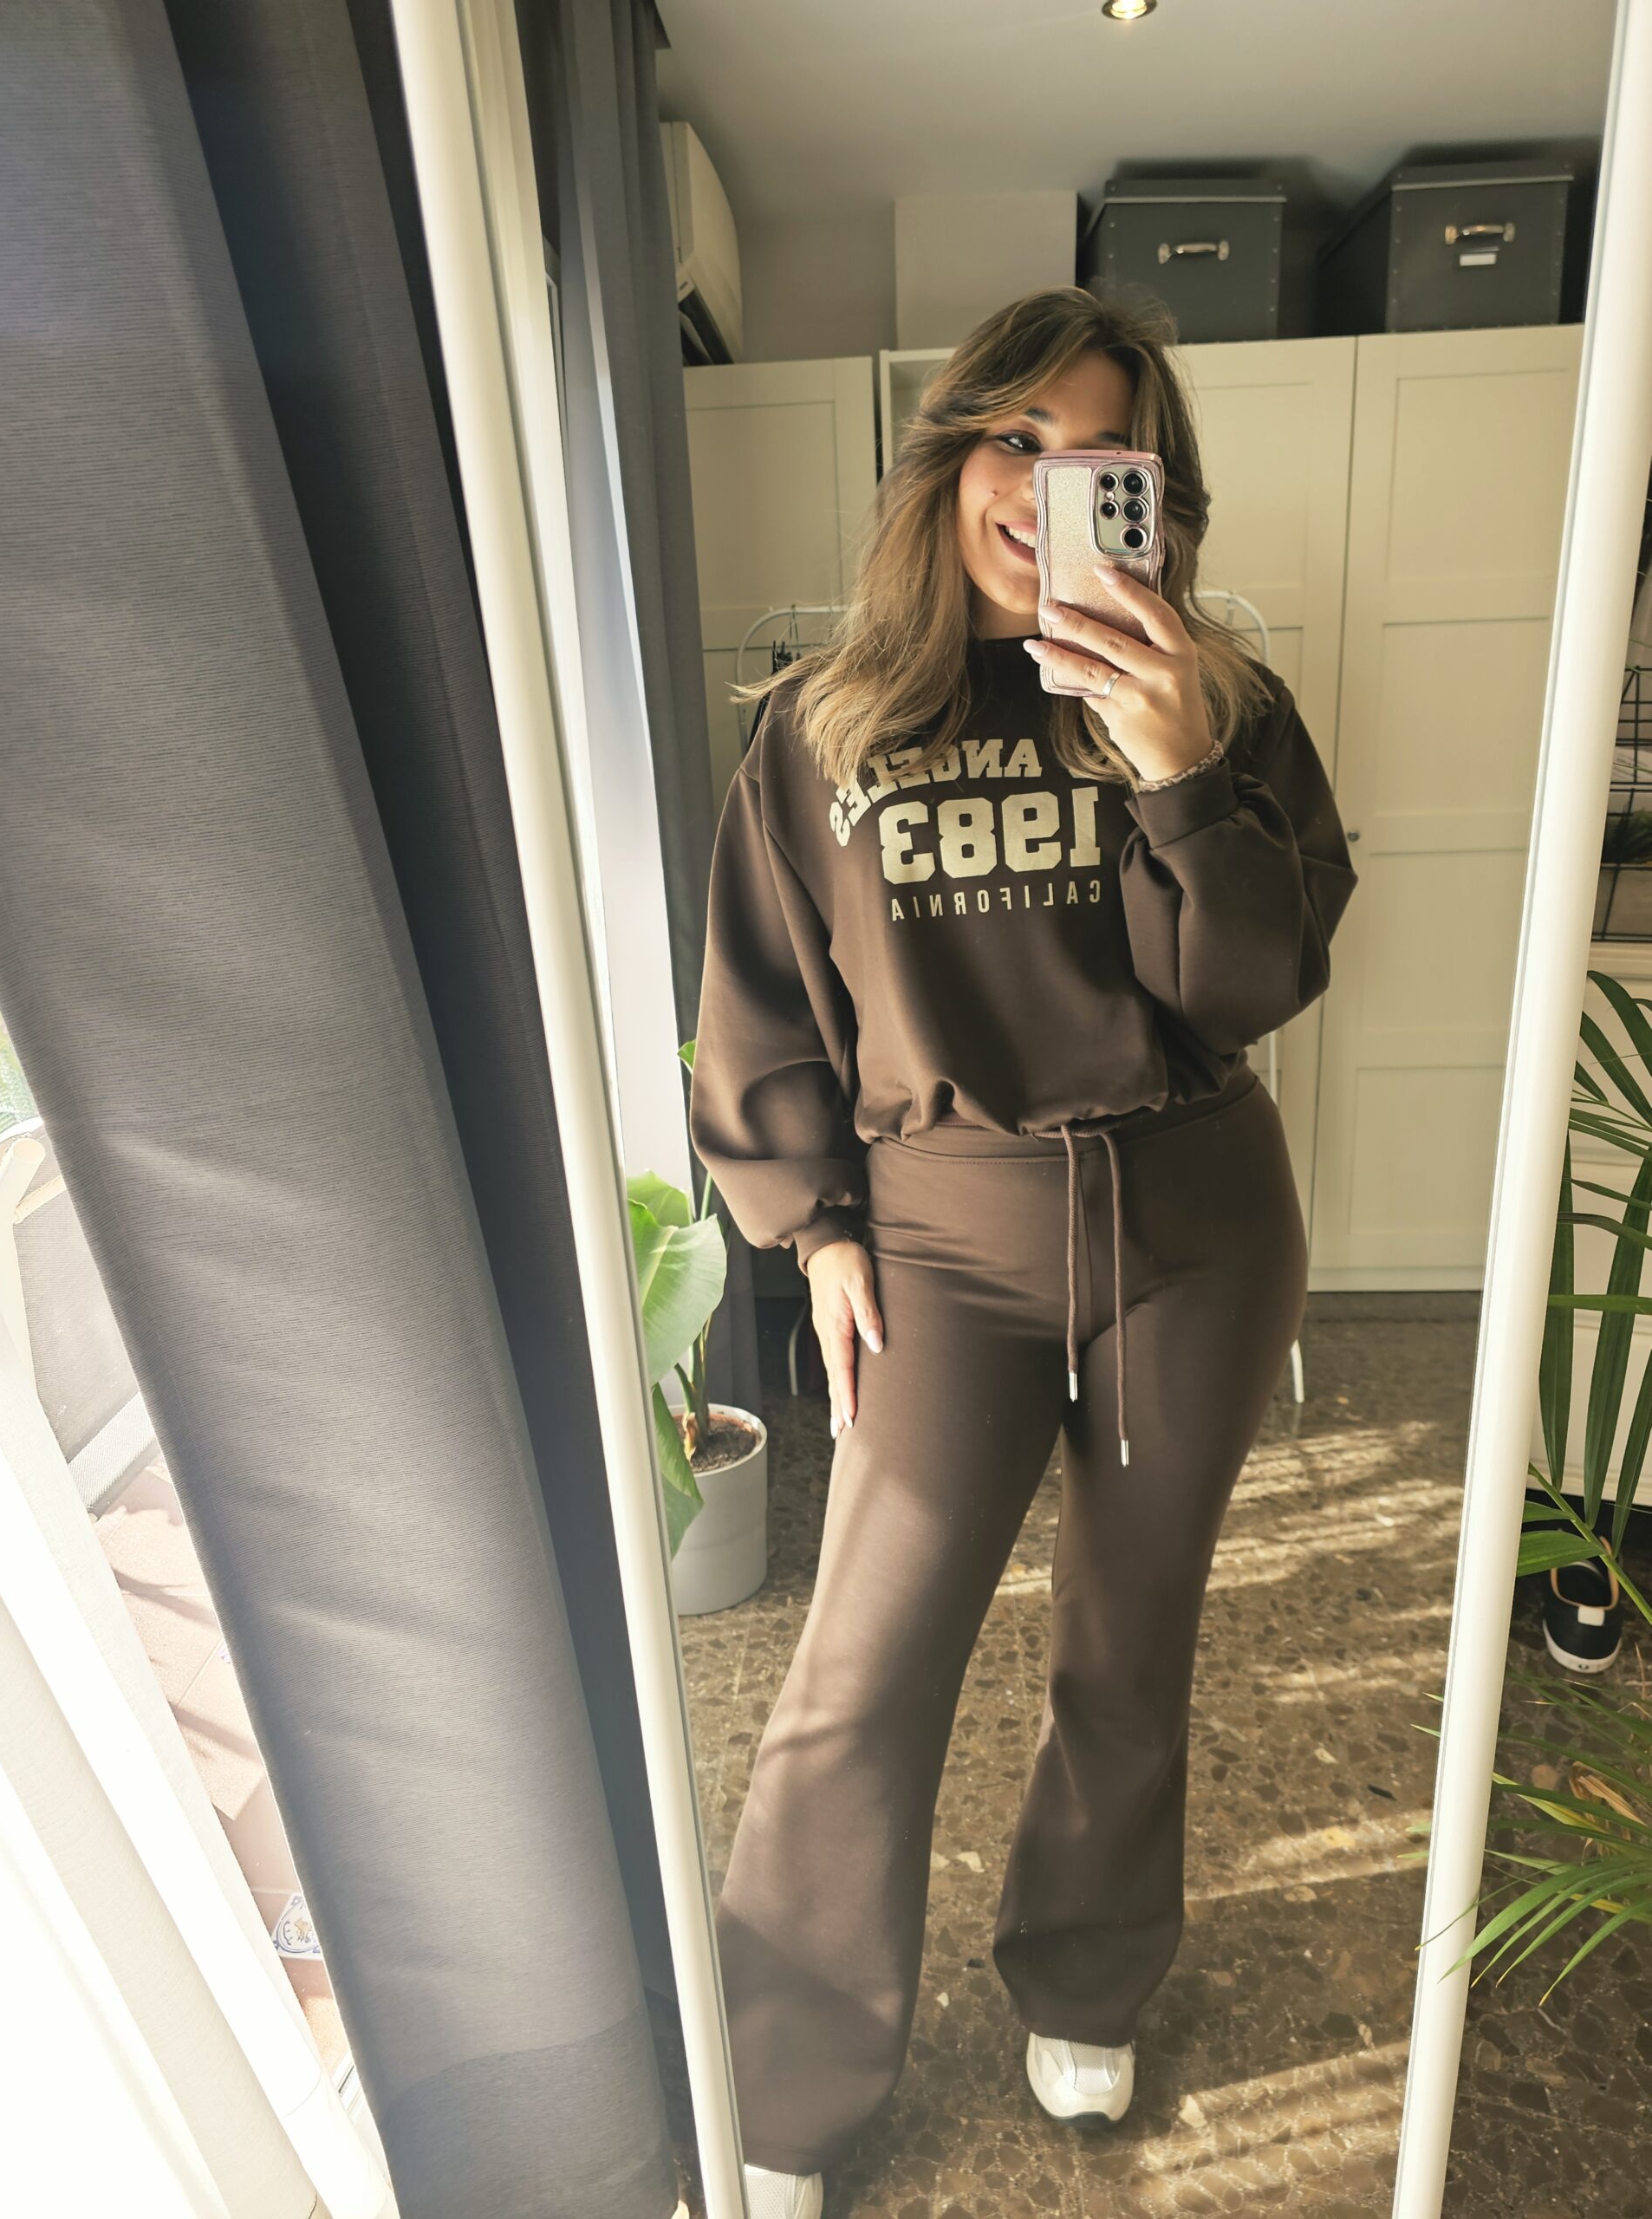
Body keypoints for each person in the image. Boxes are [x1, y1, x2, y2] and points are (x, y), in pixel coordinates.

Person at [686, 285, 1359, 2219]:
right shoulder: (822, 724)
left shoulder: (1227, 706)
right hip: (947, 1242)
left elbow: (1245, 987)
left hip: (1194, 1225)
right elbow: (760, 1006)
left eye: (1101, 457)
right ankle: (788, 2076)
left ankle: (1084, 1976)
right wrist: (812, 1229)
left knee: (1129, 1642)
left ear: (1156, 495)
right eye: (1018, 439)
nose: (1047, 485)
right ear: (951, 455)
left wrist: (1176, 766)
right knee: (861, 1667)